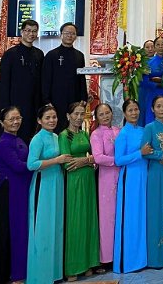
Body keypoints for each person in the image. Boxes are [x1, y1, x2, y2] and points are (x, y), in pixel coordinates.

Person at [27, 105, 71, 284]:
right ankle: (40, 275)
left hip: (57, 182)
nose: (52, 120)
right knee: (43, 228)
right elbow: (31, 164)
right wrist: (56, 160)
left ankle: (54, 273)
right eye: (47, 117)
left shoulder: (56, 137)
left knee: (56, 225)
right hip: (43, 184)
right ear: (39, 120)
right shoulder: (37, 139)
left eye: (54, 117)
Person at [58, 101, 100, 280]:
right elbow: (67, 164)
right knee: (75, 222)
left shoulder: (84, 134)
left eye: (82, 114)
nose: (79, 117)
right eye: (75, 114)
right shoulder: (64, 136)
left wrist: (85, 161)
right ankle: (73, 267)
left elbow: (95, 158)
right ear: (68, 116)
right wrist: (87, 161)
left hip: (89, 180)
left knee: (89, 220)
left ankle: (89, 263)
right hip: (75, 182)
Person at [0, 107, 32, 284]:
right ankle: (11, 274)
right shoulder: (4, 143)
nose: (16, 122)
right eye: (11, 119)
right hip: (9, 191)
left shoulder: (18, 139)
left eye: (18, 118)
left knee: (20, 230)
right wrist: (41, 163)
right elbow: (18, 166)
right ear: (2, 123)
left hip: (20, 189)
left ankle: (18, 271)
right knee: (10, 231)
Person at [141, 96, 163, 268]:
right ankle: (156, 257)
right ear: (152, 109)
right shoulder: (149, 128)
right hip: (155, 174)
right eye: (158, 106)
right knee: (156, 211)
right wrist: (162, 154)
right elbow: (145, 151)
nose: (162, 109)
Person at [114, 99, 148, 273]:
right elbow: (118, 160)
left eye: (136, 109)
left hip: (144, 176)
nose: (134, 113)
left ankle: (142, 259)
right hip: (130, 179)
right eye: (130, 110)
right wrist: (139, 153)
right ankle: (128, 261)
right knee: (131, 218)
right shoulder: (123, 134)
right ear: (125, 113)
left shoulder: (144, 130)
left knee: (142, 216)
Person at [0, 19, 43, 142]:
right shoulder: (10, 54)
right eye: (28, 30)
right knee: (14, 136)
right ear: (22, 32)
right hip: (15, 103)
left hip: (33, 105)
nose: (31, 34)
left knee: (32, 136)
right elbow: (4, 83)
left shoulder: (39, 54)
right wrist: (4, 107)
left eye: (34, 31)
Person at [90, 103, 121, 269]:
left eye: (107, 113)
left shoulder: (118, 130)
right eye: (101, 114)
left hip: (121, 175)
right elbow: (98, 157)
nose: (105, 116)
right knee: (107, 217)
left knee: (120, 214)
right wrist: (118, 160)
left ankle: (120, 252)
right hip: (106, 178)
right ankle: (107, 257)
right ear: (97, 117)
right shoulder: (96, 134)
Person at [42, 22, 87, 132]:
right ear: (61, 34)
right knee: (58, 127)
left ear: (76, 36)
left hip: (74, 98)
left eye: (72, 33)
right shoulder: (51, 55)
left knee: (74, 127)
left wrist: (83, 98)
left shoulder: (79, 56)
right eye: (67, 33)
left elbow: (82, 78)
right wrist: (46, 100)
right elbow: (45, 79)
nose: (69, 36)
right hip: (56, 99)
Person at [144, 36, 163, 125]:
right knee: (151, 119)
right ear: (154, 47)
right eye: (158, 45)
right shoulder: (147, 63)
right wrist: (158, 84)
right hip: (153, 92)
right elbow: (144, 81)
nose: (160, 47)